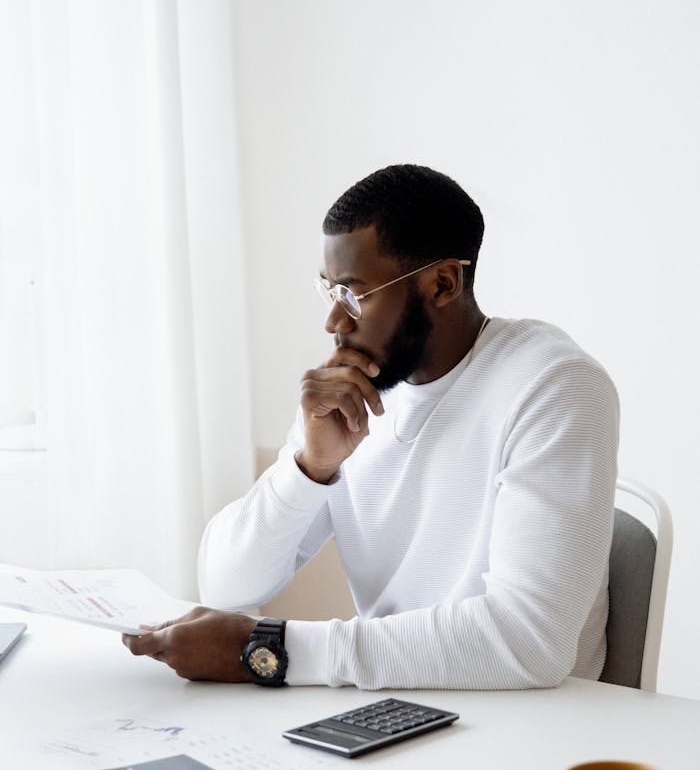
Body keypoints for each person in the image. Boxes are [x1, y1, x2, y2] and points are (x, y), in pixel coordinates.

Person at [124, 164, 619, 690]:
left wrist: (269, 648)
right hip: (392, 706)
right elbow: (224, 584)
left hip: (527, 728)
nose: (334, 322)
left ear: (442, 283)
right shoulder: (356, 391)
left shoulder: (554, 387)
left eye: (354, 294)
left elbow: (530, 642)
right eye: (329, 292)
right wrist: (310, 468)